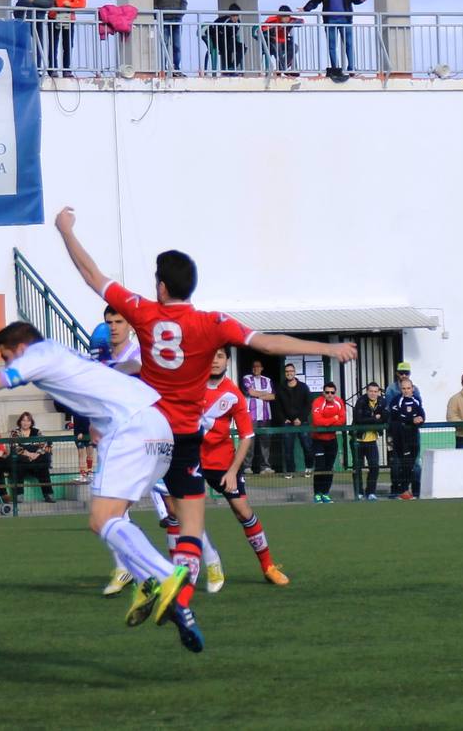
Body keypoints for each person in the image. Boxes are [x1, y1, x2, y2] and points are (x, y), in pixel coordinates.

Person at [55, 204, 356, 617]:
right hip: (184, 437)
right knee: (189, 521)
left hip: (146, 433)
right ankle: (181, 591)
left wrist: (66, 230)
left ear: (161, 287)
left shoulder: (142, 311)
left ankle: (148, 575)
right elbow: (269, 344)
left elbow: (92, 275)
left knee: (120, 515)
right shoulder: (212, 323)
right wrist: (328, 348)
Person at [0, 321, 206, 652]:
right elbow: (31, 345)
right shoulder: (53, 349)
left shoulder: (35, 356)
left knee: (102, 520)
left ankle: (165, 576)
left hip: (130, 427)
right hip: (156, 424)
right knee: (115, 519)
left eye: (6, 357)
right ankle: (150, 586)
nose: (7, 365)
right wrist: (0, 339)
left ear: (20, 349)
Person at [199, 347, 289, 589]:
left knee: (243, 512)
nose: (214, 361)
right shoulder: (191, 386)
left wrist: (232, 472)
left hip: (222, 463)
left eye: (220, 356)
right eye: (211, 355)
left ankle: (268, 566)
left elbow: (247, 436)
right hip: (192, 461)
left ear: (227, 361)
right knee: (182, 514)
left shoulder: (234, 394)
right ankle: (207, 563)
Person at [302, 0, 368, 79]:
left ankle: (352, 68)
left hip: (345, 19)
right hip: (330, 19)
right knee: (332, 46)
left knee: (349, 44)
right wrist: (306, 8)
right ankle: (335, 69)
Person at [47, 0, 86, 77]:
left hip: (68, 17)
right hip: (54, 16)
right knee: (53, 43)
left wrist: (71, 4)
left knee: (68, 45)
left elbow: (82, 3)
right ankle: (52, 69)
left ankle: (66, 70)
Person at [309, 382, 345, 503]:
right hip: (318, 440)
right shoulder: (317, 402)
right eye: (327, 392)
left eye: (332, 392)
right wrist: (333, 419)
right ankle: (317, 494)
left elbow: (342, 420)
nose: (330, 394)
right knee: (320, 467)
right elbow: (317, 421)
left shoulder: (339, 402)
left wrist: (328, 422)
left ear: (335, 393)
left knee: (329, 467)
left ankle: (325, 493)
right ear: (323, 393)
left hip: (332, 440)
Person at [387, 379, 423, 499]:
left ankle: (407, 491)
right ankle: (400, 490)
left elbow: (421, 413)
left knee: (411, 464)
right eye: (404, 388)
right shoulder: (396, 400)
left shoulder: (416, 400)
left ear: (412, 388)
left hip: (413, 436)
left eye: (408, 388)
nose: (406, 391)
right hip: (400, 437)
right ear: (400, 389)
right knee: (401, 464)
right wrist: (411, 420)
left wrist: (420, 419)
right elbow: (397, 416)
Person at [274, 363, 312, 477]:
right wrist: (284, 419)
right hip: (288, 423)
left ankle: (309, 469)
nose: (289, 373)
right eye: (287, 371)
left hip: (302, 422)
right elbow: (277, 406)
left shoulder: (303, 387)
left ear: (294, 372)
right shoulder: (280, 388)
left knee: (307, 446)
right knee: (288, 448)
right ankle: (290, 471)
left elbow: (308, 405)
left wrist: (300, 418)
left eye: (291, 371)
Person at [14, 0, 55, 71]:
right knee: (21, 43)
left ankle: (38, 69)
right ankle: (16, 68)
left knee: (39, 43)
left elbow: (50, 3)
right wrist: (40, 3)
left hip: (38, 18)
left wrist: (34, 0)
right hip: (23, 19)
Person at [9, 411, 55, 504]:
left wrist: (36, 454)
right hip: (22, 462)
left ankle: (48, 495)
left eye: (28, 420)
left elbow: (43, 445)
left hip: (35, 461)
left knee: (44, 469)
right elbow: (15, 447)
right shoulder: (15, 432)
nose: (25, 423)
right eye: (23, 420)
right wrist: (29, 454)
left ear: (31, 422)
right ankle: (19, 495)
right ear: (20, 422)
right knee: (17, 467)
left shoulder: (37, 432)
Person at [351, 382, 386, 501]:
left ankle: (371, 492)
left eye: (375, 391)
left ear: (379, 392)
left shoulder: (382, 402)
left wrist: (375, 419)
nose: (373, 394)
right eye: (371, 391)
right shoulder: (361, 401)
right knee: (357, 468)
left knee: (374, 466)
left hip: (372, 440)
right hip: (358, 440)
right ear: (367, 391)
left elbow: (386, 417)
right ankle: (359, 492)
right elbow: (359, 419)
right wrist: (375, 418)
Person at [152, 0, 188, 75]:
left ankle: (176, 69)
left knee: (177, 46)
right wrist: (158, 16)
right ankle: (163, 70)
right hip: (164, 20)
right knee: (164, 45)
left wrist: (182, 12)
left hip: (177, 19)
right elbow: (153, 3)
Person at [242, 360, 275, 474]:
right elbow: (250, 392)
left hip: (266, 416)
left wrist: (257, 394)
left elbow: (273, 396)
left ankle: (265, 467)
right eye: (254, 367)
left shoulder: (267, 380)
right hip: (251, 415)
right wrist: (264, 394)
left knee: (265, 442)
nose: (256, 368)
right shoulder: (247, 378)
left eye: (258, 366)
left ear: (262, 368)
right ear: (252, 368)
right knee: (250, 442)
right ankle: (247, 467)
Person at [205, 4, 244, 75]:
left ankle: (232, 68)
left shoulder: (238, 22)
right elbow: (210, 30)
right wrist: (219, 34)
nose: (235, 18)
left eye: (237, 15)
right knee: (227, 45)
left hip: (229, 41)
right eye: (233, 15)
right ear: (230, 15)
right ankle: (227, 70)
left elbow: (233, 34)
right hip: (218, 40)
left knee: (242, 47)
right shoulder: (224, 20)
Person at [261, 6, 300, 74]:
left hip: (283, 42)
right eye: (285, 16)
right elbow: (263, 28)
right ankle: (283, 68)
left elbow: (301, 21)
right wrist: (275, 27)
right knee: (277, 45)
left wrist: (291, 24)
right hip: (271, 42)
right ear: (280, 16)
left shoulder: (289, 20)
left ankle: (281, 68)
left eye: (288, 16)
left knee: (295, 47)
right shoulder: (273, 19)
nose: (287, 18)